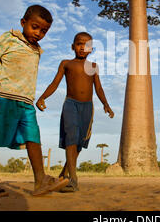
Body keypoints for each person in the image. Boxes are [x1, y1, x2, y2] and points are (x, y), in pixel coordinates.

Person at [0, 5, 69, 197]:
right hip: (5, 97)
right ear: (23, 23)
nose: (39, 33)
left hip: (26, 102)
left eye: (44, 31)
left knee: (33, 137)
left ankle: (40, 180)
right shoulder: (10, 38)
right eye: (34, 27)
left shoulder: (37, 49)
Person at [36, 32, 114, 191]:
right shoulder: (66, 64)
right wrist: (42, 97)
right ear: (73, 46)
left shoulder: (93, 67)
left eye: (87, 45)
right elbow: (55, 83)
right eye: (79, 44)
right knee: (71, 136)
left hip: (87, 107)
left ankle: (64, 174)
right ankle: (73, 179)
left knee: (78, 142)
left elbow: (98, 88)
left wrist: (106, 104)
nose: (82, 47)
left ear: (91, 49)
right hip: (70, 104)